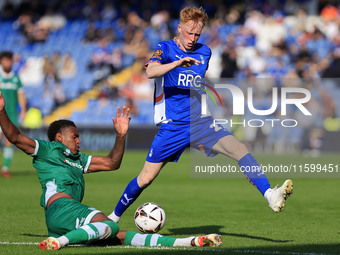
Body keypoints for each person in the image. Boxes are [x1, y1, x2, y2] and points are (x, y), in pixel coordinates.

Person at [108, 7, 294, 223]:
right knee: (146, 177)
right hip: (173, 126)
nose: (192, 38)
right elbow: (150, 72)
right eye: (189, 33)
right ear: (179, 28)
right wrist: (177, 63)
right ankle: (113, 217)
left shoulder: (204, 51)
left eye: (197, 34)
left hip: (200, 123)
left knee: (239, 149)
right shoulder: (165, 48)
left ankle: (270, 195)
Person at [0, 92, 221, 250]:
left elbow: (111, 163)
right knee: (108, 225)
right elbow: (15, 137)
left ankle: (189, 241)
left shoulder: (79, 160)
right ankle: (61, 242)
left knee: (119, 236)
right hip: (62, 206)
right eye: (74, 136)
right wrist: (1, 112)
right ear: (60, 137)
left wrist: (121, 135)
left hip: (63, 217)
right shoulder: (48, 149)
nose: (79, 140)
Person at [0, 51, 27, 178]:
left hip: (11, 114)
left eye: (9, 60)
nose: (7, 62)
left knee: (9, 141)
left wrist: (23, 110)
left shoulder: (16, 78)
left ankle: (5, 168)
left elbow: (21, 95)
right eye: (5, 60)